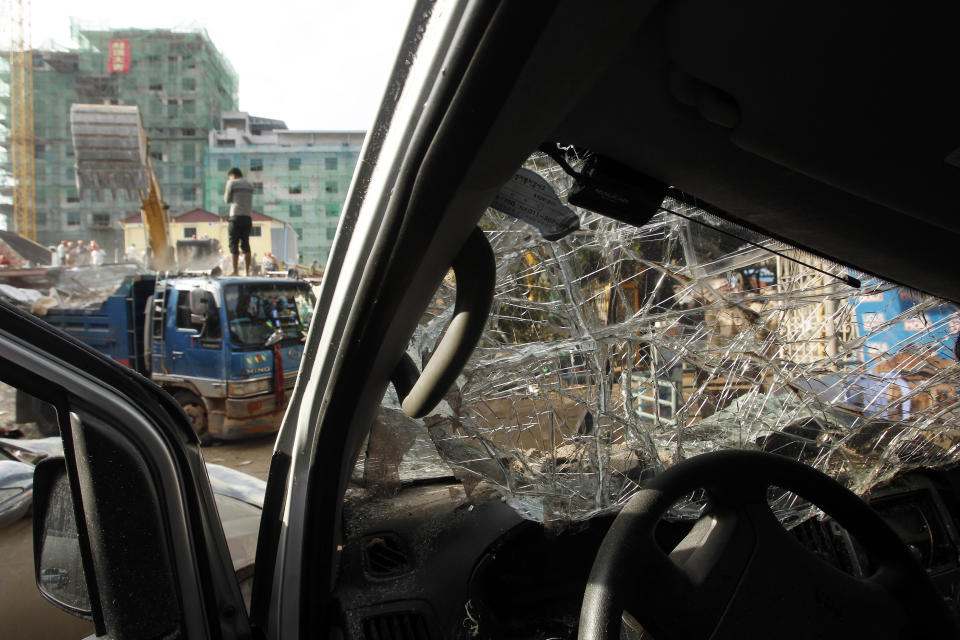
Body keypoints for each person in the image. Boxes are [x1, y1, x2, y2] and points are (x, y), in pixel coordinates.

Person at [223, 167, 254, 276]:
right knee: (246, 243)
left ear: (233, 175)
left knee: (233, 244)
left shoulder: (231, 183)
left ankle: (235, 270)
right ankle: (247, 271)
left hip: (235, 217)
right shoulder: (250, 184)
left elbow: (227, 200)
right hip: (247, 217)